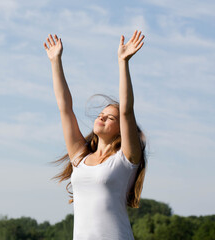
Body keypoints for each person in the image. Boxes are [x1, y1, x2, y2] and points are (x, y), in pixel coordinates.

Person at [43, 30, 147, 240]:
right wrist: (55, 62)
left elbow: (127, 110)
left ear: (122, 129)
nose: (102, 118)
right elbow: (65, 108)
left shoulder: (126, 160)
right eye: (101, 114)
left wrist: (123, 62)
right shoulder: (80, 157)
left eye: (110, 118)